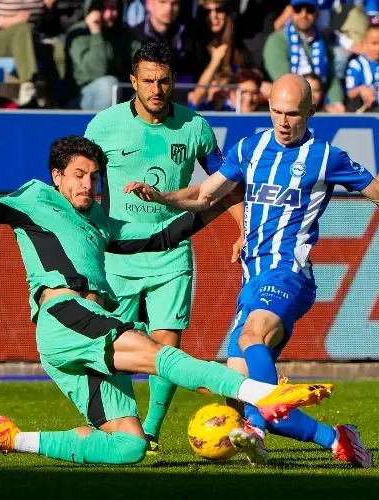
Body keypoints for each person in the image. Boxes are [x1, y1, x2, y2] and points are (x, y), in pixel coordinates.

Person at [124, 73, 379, 466]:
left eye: (293, 113)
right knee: (242, 387)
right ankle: (336, 439)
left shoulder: (326, 156)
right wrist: (162, 196)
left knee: (254, 341)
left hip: (289, 274)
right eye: (276, 111)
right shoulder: (249, 148)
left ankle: (258, 425)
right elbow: (206, 195)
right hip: (253, 278)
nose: (283, 122)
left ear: (311, 111)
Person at [0, 120, 332, 464]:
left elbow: (161, 238)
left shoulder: (97, 220)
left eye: (94, 177)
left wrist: (217, 206)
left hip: (78, 336)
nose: (87, 184)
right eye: (78, 174)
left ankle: (12, 439)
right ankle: (262, 394)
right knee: (159, 354)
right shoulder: (34, 198)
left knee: (130, 446)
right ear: (57, 176)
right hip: (65, 316)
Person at [83, 42, 243, 455]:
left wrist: (244, 229)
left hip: (171, 252)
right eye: (148, 80)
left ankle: (150, 432)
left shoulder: (195, 128)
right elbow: (82, 184)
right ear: (132, 81)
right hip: (116, 254)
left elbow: (224, 185)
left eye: (164, 80)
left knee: (165, 346)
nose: (157, 88)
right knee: (109, 346)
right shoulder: (103, 126)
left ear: (173, 81)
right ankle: (118, 424)